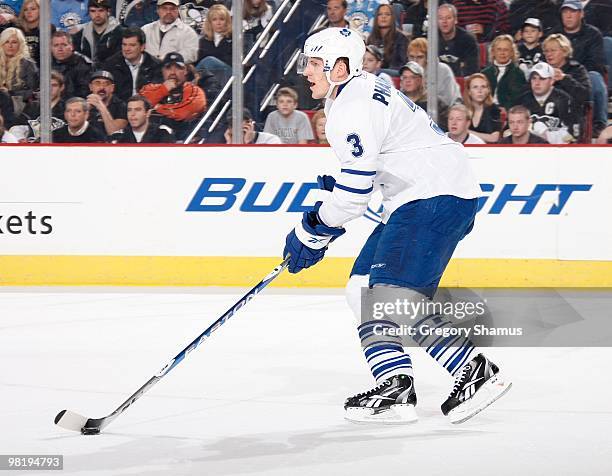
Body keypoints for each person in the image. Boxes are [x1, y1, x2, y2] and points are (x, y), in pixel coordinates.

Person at [283, 27, 510, 424]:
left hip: (431, 199)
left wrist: (312, 229)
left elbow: (354, 195)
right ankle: (395, 387)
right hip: (420, 197)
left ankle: (475, 371)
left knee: (389, 296)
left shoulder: (349, 108)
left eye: (315, 64)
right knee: (361, 290)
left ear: (341, 67)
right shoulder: (361, 88)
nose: (307, 72)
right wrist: (337, 208)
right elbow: (373, 170)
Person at [555, 0, 608, 137]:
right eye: (565, 12)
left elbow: (595, 63)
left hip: (583, 76)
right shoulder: (555, 34)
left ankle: (599, 125)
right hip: (557, 76)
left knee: (595, 77)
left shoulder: (593, 34)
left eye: (572, 12)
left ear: (582, 14)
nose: (568, 16)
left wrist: (571, 73)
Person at [140, 51, 206, 140]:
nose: (173, 72)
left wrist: (156, 108)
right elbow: (138, 106)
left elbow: (185, 113)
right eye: (168, 68)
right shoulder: (150, 88)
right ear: (162, 71)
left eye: (178, 68)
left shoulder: (195, 91)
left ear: (185, 71)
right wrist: (163, 89)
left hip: (179, 138)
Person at [542, 33, 591, 141]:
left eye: (553, 50)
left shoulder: (577, 69)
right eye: (546, 51)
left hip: (568, 119)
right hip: (543, 116)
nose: (548, 54)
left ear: (564, 51)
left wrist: (565, 79)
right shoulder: (541, 70)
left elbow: (585, 95)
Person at [518, 61, 576, 144]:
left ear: (552, 81)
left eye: (542, 78)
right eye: (534, 78)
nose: (537, 83)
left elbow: (572, 134)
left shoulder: (564, 99)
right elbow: (509, 131)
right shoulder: (522, 100)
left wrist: (548, 136)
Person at [102, 26, 163, 102]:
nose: (127, 49)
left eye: (132, 45)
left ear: (142, 47)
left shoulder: (156, 65)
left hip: (147, 108)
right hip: (119, 109)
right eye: (124, 44)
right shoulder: (111, 64)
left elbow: (157, 93)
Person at [8, 70, 66, 141]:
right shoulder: (32, 106)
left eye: (54, 85)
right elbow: (17, 126)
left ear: (62, 87)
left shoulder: (67, 108)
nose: (50, 89)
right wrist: (21, 138)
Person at [408, 37, 461, 108]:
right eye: (411, 57)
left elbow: (447, 101)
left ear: (428, 58)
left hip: (446, 111)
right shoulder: (408, 71)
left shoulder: (443, 70)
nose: (415, 61)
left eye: (420, 57)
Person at [141, 0, 199, 64]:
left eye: (172, 9)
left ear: (178, 10)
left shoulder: (188, 33)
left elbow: (191, 55)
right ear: (158, 10)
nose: (168, 12)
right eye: (164, 8)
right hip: (147, 70)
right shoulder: (145, 30)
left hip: (174, 70)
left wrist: (167, 59)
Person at [481, 34, 527, 112]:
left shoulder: (518, 73)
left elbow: (518, 98)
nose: (502, 53)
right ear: (493, 51)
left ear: (512, 52)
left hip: (509, 112)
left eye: (506, 50)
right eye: (499, 49)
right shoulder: (485, 73)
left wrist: (506, 108)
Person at [72, 0, 122, 66]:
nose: (97, 15)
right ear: (88, 13)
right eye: (93, 11)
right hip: (86, 72)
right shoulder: (81, 34)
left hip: (112, 71)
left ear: (108, 12)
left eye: (101, 11)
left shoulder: (120, 32)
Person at [0, 27, 38, 112]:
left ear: (20, 44)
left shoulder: (28, 64)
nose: (10, 46)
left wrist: (10, 93)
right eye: (7, 42)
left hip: (19, 107)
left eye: (14, 42)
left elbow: (33, 91)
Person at [109, 95, 175, 143]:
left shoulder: (162, 132)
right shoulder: (118, 136)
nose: (132, 114)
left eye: (138, 110)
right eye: (129, 110)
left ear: (148, 113)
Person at [437, 3, 479, 76]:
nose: (444, 21)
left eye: (448, 18)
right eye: (440, 18)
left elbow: (471, 70)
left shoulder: (468, 40)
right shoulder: (431, 38)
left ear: (455, 20)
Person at [51, 30, 94, 99]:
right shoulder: (46, 64)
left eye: (64, 45)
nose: (60, 49)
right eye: (56, 45)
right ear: (51, 48)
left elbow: (84, 93)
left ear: (72, 46)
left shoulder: (83, 65)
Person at [196, 4, 232, 86]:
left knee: (209, 61)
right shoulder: (203, 41)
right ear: (210, 22)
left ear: (227, 21)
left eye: (222, 19)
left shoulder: (234, 38)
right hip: (210, 79)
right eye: (214, 20)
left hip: (230, 76)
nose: (218, 23)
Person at [365, 4, 407, 70]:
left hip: (394, 73)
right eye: (380, 14)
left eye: (387, 14)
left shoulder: (401, 38)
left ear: (392, 18)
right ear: (376, 18)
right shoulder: (371, 38)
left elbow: (402, 63)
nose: (383, 17)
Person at [462, 73, 501, 143]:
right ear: (469, 92)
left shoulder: (493, 109)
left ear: (488, 90)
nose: (479, 91)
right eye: (475, 87)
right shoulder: (462, 110)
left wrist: (466, 132)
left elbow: (494, 138)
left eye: (483, 87)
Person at [86, 69, 127, 136]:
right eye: (97, 83)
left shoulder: (121, 106)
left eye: (106, 84)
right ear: (90, 87)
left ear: (112, 88)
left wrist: (101, 108)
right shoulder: (84, 105)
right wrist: (85, 111)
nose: (102, 87)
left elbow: (114, 132)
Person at [16, 0, 42, 66]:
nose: (29, 12)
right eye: (25, 9)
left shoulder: (48, 28)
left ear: (40, 10)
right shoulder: (18, 29)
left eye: (33, 9)